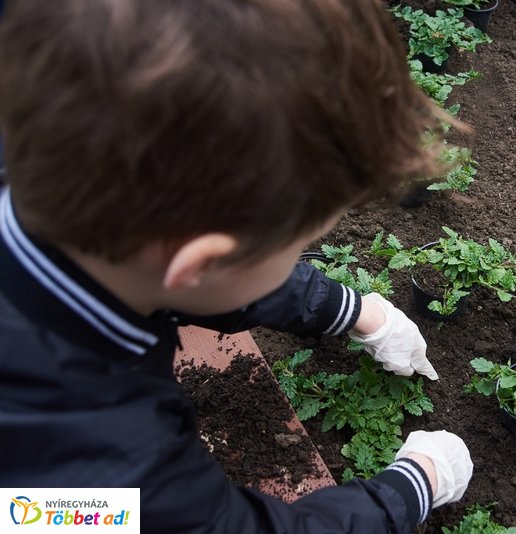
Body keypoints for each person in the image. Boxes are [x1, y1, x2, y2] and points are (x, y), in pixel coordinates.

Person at [0, 1, 473, 532]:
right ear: (203, 261)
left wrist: (349, 309)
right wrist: (414, 485)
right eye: (300, 244)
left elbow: (207, 274)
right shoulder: (84, 476)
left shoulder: (50, 157)